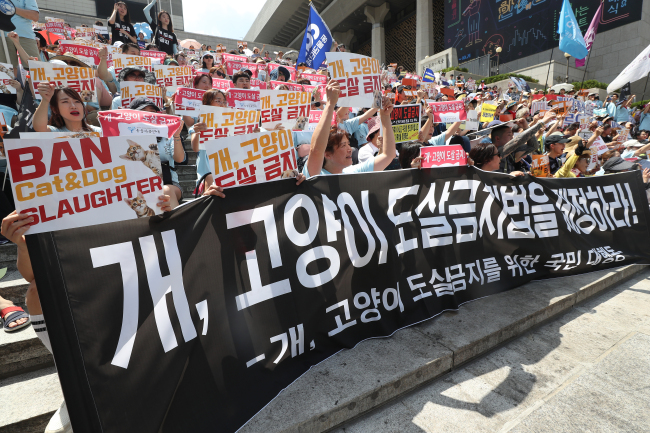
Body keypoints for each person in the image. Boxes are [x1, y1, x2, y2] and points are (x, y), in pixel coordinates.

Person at [303, 80, 397, 177]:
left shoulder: (353, 173)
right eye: (343, 145)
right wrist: (330, 104)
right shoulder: (315, 175)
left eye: (348, 144)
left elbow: (388, 155)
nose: (350, 149)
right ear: (327, 154)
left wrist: (385, 116)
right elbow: (316, 150)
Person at [189, 89, 228, 190]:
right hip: (208, 172)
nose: (222, 104)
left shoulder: (233, 124)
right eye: (218, 101)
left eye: (224, 101)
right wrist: (197, 133)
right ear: (207, 103)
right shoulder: (197, 126)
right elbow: (196, 148)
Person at [33, 85, 103, 134]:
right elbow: (39, 127)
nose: (73, 106)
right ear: (55, 109)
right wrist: (45, 99)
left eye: (77, 101)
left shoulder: (99, 132)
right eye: (65, 101)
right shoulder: (55, 133)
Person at [0, 0, 40, 74]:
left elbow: (35, 16)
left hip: (25, 34)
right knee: (6, 70)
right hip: (2, 36)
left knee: (35, 68)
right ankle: (14, 86)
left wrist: (11, 8)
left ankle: (33, 86)